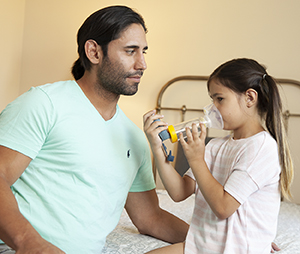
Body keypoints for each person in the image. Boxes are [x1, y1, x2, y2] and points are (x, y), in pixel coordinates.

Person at [0, 6, 189, 254]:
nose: (142, 64)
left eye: (143, 52)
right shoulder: (43, 103)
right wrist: (29, 243)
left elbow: (150, 217)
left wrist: (219, 239)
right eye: (130, 51)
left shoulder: (134, 138)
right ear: (94, 52)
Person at [143, 58, 294, 254]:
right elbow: (179, 192)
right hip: (203, 246)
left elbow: (223, 208)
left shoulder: (261, 147)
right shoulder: (216, 146)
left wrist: (196, 159)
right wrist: (156, 146)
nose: (212, 107)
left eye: (219, 99)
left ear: (250, 98)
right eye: (212, 99)